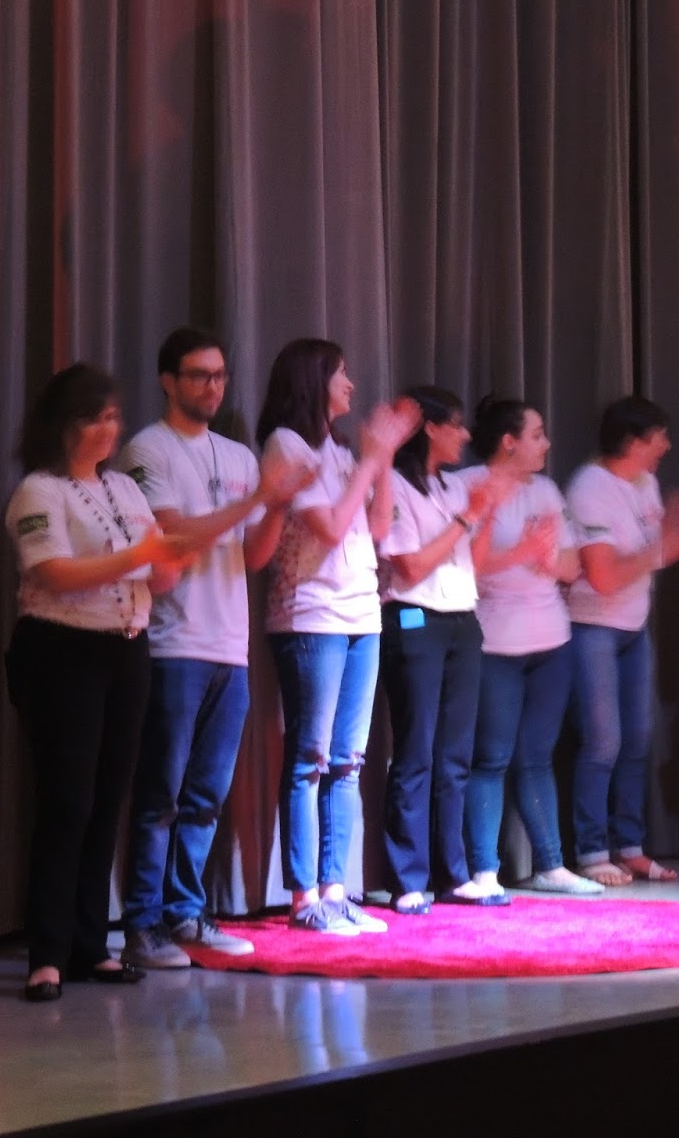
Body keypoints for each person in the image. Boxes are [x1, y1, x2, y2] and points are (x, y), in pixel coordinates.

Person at [117, 328, 311, 969]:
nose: (213, 386)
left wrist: (276, 507)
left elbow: (253, 555)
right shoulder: (147, 449)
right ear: (168, 381)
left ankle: (185, 913)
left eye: (221, 375)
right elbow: (173, 537)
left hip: (230, 646)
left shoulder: (237, 456)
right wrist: (258, 498)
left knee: (205, 796)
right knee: (160, 796)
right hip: (173, 644)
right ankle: (142, 924)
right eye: (199, 375)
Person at [5, 362, 190, 1000]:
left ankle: (91, 944)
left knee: (109, 797)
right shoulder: (38, 490)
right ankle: (47, 954)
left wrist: (170, 558)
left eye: (113, 417)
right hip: (62, 651)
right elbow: (53, 573)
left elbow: (159, 572)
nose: (108, 429)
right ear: (62, 425)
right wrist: (142, 556)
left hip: (126, 649)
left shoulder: (125, 489)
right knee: (67, 801)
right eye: (93, 418)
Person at [257, 337, 419, 935]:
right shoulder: (288, 445)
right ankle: (305, 898)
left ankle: (335, 889)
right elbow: (327, 527)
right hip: (312, 616)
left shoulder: (343, 451)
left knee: (349, 761)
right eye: (341, 373)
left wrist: (382, 460)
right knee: (310, 758)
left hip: (360, 616)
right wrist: (370, 462)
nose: (351, 384)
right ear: (312, 380)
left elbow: (378, 527)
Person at [566, 395, 679, 886]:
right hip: (593, 626)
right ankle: (591, 851)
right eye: (658, 438)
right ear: (632, 442)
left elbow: (655, 554)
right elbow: (604, 577)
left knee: (637, 739)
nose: (666, 446)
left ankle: (629, 847)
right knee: (602, 741)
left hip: (633, 627)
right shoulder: (590, 488)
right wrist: (666, 544)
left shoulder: (646, 483)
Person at [458, 395, 598, 903]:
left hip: (551, 642)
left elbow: (571, 566)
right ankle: (484, 871)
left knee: (536, 757)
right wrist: (524, 552)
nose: (547, 444)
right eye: (537, 435)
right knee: (490, 758)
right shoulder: (468, 485)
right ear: (508, 441)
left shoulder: (545, 490)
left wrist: (545, 559)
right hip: (496, 641)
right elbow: (466, 567)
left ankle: (551, 865)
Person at [378, 388, 507, 916]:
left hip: (461, 619)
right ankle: (408, 878)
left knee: (456, 755)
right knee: (416, 751)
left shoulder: (453, 486)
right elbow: (409, 566)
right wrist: (465, 518)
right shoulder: (395, 484)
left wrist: (486, 514)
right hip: (415, 618)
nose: (466, 435)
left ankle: (452, 873)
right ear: (430, 428)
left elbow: (472, 561)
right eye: (456, 424)